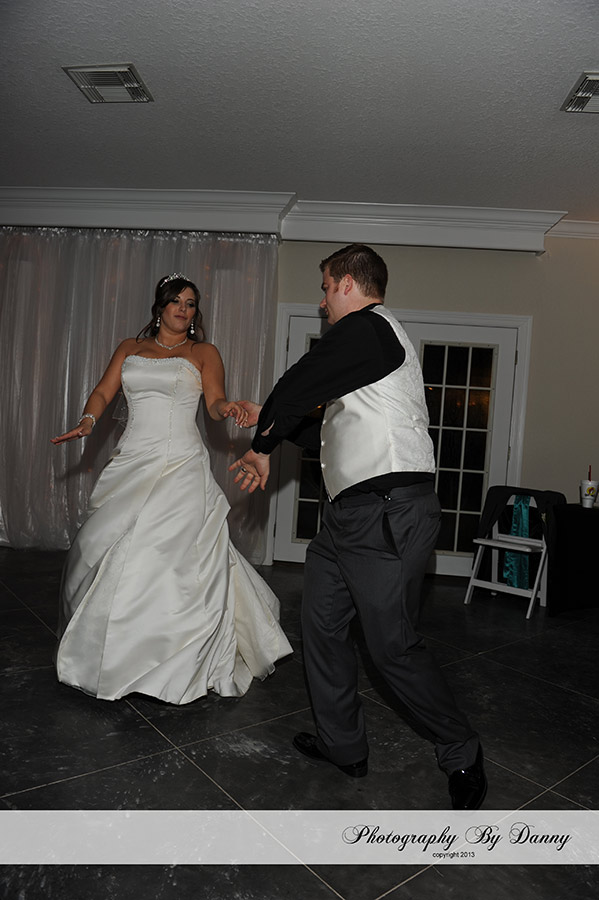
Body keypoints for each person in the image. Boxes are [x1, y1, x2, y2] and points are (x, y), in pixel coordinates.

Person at [230, 244, 487, 809]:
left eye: (326, 287)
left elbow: (299, 382)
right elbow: (330, 430)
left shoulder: (369, 327)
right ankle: (342, 744)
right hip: (347, 520)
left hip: (387, 513)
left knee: (392, 647)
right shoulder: (367, 354)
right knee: (322, 628)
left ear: (348, 283)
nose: (322, 301)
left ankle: (461, 749)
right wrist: (270, 421)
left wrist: (264, 442)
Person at [51, 273, 292, 704]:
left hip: (182, 463)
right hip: (132, 460)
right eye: (176, 301)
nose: (183, 309)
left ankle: (177, 656)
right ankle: (114, 652)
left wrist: (228, 407)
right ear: (160, 306)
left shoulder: (203, 352)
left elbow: (214, 403)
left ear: (196, 313)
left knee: (166, 554)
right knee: (108, 546)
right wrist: (88, 421)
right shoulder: (130, 348)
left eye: (191, 303)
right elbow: (104, 392)